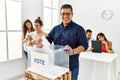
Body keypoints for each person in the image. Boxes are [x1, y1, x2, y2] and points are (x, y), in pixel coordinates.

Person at [46, 4, 88, 80]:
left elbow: (84, 45)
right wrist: (38, 42)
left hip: (71, 67)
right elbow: (47, 40)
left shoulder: (79, 29)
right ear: (60, 15)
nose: (65, 16)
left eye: (68, 14)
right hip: (57, 65)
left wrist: (73, 51)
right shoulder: (55, 29)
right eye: (63, 14)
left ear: (72, 15)